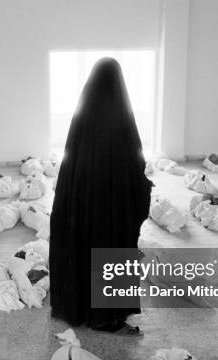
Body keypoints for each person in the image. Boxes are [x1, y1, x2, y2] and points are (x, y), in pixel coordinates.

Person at [49, 57, 152, 334]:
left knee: (83, 245)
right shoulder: (122, 118)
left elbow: (70, 163)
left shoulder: (81, 116)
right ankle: (106, 315)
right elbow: (135, 162)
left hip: (82, 202)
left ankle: (77, 307)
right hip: (111, 206)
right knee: (110, 247)